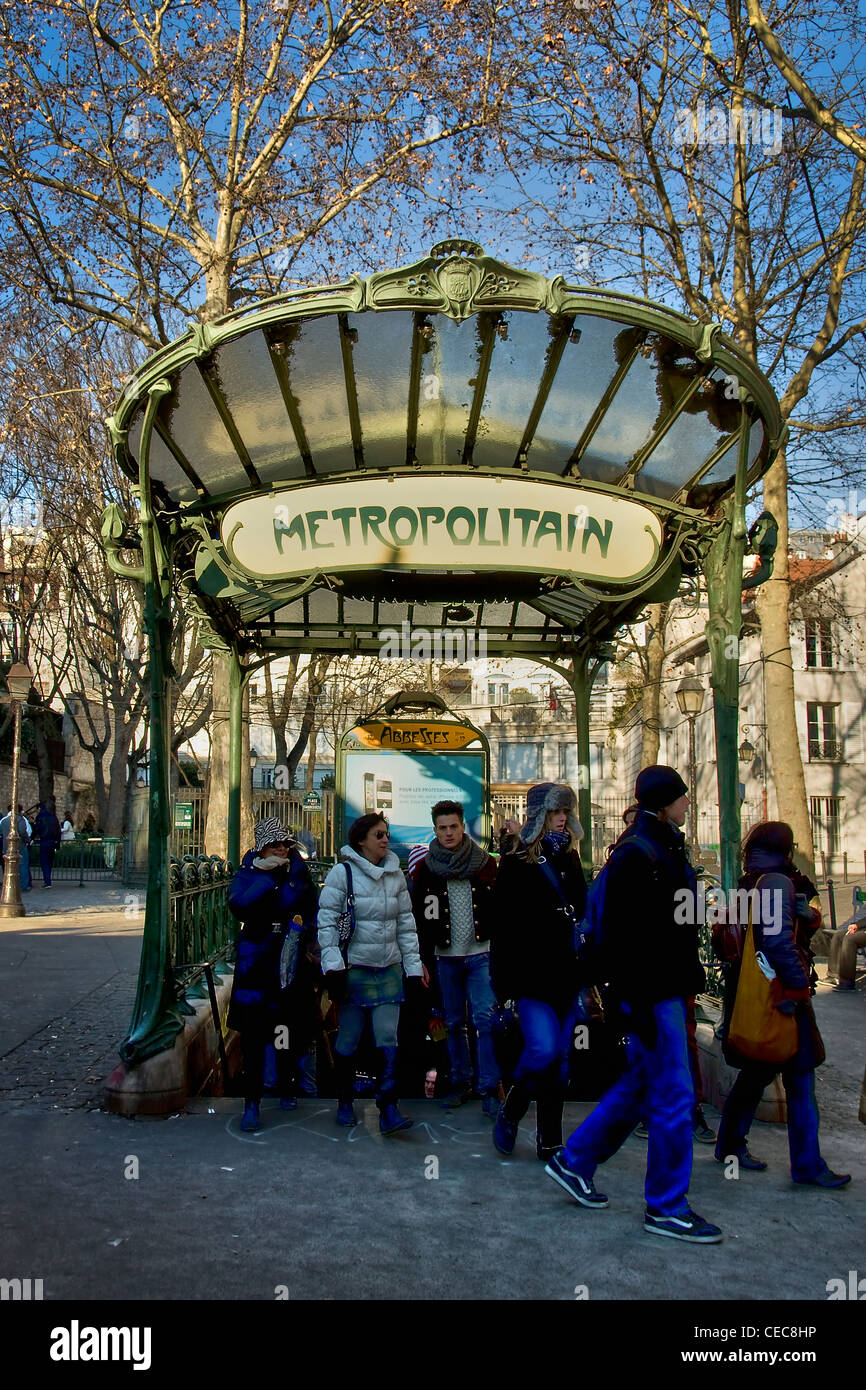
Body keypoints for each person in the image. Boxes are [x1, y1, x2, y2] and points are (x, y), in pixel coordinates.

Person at [545, 766, 723, 1244]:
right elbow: (625, 940)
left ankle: (575, 1160)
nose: (689, 805)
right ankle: (666, 1206)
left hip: (659, 990)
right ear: (664, 803)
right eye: (682, 798)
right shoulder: (639, 854)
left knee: (643, 1087)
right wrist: (635, 1004)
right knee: (674, 1099)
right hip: (654, 994)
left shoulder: (653, 846)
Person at [714, 821, 850, 1188]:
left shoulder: (750, 881)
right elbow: (776, 941)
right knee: (802, 1080)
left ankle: (729, 1147)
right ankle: (807, 1166)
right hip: (780, 997)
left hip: (751, 993)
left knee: (755, 1074)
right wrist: (796, 988)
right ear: (786, 849)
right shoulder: (777, 882)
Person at [489, 782, 587, 1163]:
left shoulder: (572, 858)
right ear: (537, 816)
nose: (562, 819)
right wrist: (504, 985)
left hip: (566, 972)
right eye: (553, 812)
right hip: (531, 974)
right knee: (543, 1050)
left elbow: (580, 912)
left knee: (560, 1060)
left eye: (566, 812)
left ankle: (550, 1140)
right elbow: (503, 925)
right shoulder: (516, 859)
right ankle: (511, 1112)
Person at [317, 812, 426, 1135]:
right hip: (355, 971)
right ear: (361, 839)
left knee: (388, 1038)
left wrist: (412, 968)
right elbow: (327, 923)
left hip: (388, 969)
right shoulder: (343, 873)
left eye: (387, 834)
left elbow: (406, 927)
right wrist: (333, 966)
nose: (385, 840)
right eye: (378, 834)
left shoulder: (395, 877)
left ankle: (388, 1106)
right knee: (348, 1038)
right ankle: (345, 1100)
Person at [227, 817, 319, 1133]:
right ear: (262, 848)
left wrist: (306, 935)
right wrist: (267, 877)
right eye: (276, 845)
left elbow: (312, 908)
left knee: (290, 1026)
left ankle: (287, 1085)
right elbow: (238, 905)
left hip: (291, 958)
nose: (282, 849)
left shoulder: (298, 872)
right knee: (253, 1034)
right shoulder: (248, 873)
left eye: (286, 844)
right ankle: (252, 1102)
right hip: (257, 960)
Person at [410, 800, 500, 1114]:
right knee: (451, 1022)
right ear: (434, 830)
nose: (448, 833)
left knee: (485, 1021)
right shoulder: (426, 869)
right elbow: (417, 918)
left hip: (481, 953)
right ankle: (459, 1082)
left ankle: (488, 1088)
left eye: (453, 827)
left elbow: (500, 911)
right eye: (442, 828)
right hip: (444, 956)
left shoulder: (485, 864)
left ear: (463, 827)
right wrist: (421, 957)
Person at [0, 804, 32, 892]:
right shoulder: (20, 819)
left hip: (6, 846)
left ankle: (9, 885)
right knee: (23, 866)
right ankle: (23, 886)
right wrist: (28, 840)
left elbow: (2, 832)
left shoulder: (4, 821)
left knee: (9, 867)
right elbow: (23, 832)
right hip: (19, 846)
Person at [34, 801, 61, 888]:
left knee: (44, 862)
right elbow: (58, 831)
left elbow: (37, 829)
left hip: (44, 841)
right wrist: (58, 842)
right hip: (52, 842)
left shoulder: (40, 817)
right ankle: (48, 879)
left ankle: (47, 881)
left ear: (39, 809)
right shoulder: (53, 817)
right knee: (49, 862)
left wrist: (32, 838)